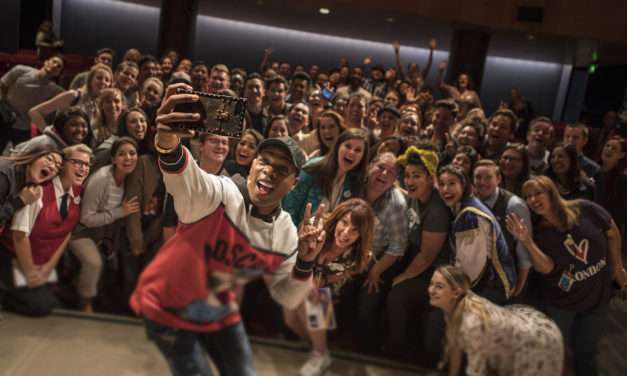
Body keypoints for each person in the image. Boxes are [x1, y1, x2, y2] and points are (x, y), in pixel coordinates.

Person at [130, 83, 323, 376]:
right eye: (263, 161)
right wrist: (167, 140)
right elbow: (184, 177)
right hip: (167, 304)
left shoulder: (286, 232)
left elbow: (288, 298)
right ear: (252, 163)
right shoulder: (223, 193)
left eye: (281, 169)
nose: (269, 171)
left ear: (294, 183)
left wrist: (308, 261)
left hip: (218, 306)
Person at [506, 176, 627, 376]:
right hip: (562, 303)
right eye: (527, 197)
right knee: (556, 351)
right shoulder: (538, 232)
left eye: (538, 193)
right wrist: (527, 241)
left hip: (597, 298)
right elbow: (547, 269)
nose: (533, 200)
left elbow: (612, 231)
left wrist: (618, 268)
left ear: (551, 192)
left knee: (586, 353)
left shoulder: (585, 208)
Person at [283, 199, 374, 376]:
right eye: (344, 223)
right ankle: (317, 348)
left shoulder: (357, 255)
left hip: (329, 297)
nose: (346, 232)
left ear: (361, 235)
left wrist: (315, 284)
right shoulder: (318, 230)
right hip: (301, 281)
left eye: (355, 230)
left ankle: (320, 353)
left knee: (311, 294)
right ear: (337, 219)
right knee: (290, 319)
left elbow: (327, 281)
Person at [0, 144, 91, 316]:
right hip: (13, 256)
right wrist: (30, 272)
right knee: (41, 306)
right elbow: (20, 236)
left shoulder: (79, 191)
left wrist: (49, 267)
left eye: (86, 164)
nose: (83, 168)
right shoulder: (36, 190)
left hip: (41, 262)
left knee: (60, 301)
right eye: (77, 162)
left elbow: (67, 233)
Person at [429, 265, 564, 376]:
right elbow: (455, 348)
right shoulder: (455, 307)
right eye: (431, 284)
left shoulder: (472, 322)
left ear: (456, 293)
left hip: (535, 342)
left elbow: (476, 371)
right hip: (518, 333)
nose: (431, 290)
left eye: (439, 286)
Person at [386, 145, 451, 360]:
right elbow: (403, 191)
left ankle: (400, 355)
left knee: (398, 293)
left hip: (433, 272)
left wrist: (402, 277)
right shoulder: (416, 196)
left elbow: (426, 257)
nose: (410, 181)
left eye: (417, 176)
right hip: (413, 261)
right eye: (408, 176)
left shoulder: (437, 210)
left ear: (432, 178)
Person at [69, 138, 140, 312]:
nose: (128, 158)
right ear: (113, 159)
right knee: (94, 263)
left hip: (104, 232)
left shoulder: (129, 178)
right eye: (122, 154)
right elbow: (86, 218)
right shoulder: (102, 178)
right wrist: (119, 213)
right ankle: (85, 304)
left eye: (132, 153)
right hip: (81, 231)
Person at [437, 165, 516, 304]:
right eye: (441, 184)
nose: (445, 189)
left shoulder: (470, 215)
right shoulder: (463, 205)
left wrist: (452, 291)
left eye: (451, 183)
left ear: (463, 185)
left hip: (492, 285)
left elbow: (470, 269)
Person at [355, 152, 408, 353]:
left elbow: (397, 246)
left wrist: (375, 271)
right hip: (340, 252)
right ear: (370, 166)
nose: (384, 174)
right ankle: (319, 338)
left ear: (395, 180)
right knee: (323, 291)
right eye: (381, 167)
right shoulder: (353, 184)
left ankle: (364, 351)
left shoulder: (397, 204)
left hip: (376, 259)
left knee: (367, 304)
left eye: (391, 172)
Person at [283, 128, 369, 226]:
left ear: (362, 157)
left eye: (358, 150)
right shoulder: (313, 168)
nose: (352, 152)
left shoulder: (355, 182)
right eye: (348, 146)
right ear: (338, 146)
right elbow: (289, 208)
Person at [473, 159, 532, 297]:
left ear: (498, 179)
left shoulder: (514, 205)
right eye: (478, 177)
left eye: (488, 177)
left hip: (508, 278)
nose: (482, 182)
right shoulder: (471, 200)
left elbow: (524, 250)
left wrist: (519, 287)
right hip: (481, 277)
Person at [0, 55, 64, 150]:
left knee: (20, 156)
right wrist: (4, 106)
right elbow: (3, 85)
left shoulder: (53, 89)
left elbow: (71, 95)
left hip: (23, 126)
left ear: (58, 73)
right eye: (54, 61)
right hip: (4, 119)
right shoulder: (20, 70)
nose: (55, 65)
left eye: (59, 66)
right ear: (46, 62)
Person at [29, 63, 113, 130]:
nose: (103, 82)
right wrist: (49, 133)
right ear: (90, 80)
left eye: (107, 80)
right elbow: (34, 112)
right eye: (99, 78)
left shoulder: (100, 105)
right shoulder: (73, 95)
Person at [0, 146, 63, 229]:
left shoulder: (28, 182)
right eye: (49, 159)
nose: (52, 167)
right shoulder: (3, 176)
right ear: (34, 156)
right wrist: (20, 201)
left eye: (57, 167)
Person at [12, 107, 94, 155]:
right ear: (61, 127)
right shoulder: (45, 144)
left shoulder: (70, 147)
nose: (80, 129)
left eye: (84, 126)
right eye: (73, 125)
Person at [594, 136, 627, 234]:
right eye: (607, 146)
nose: (609, 149)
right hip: (594, 223)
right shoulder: (597, 173)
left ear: (622, 155)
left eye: (614, 148)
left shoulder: (623, 179)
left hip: (612, 228)